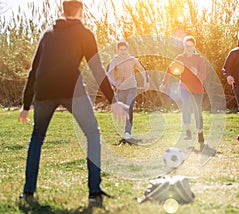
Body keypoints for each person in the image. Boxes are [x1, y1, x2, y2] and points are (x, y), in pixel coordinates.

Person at [18, 0, 128, 207]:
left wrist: (25, 105)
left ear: (62, 11)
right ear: (80, 12)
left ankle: (28, 191)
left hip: (43, 92)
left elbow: (33, 70)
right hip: (72, 90)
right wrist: (113, 100)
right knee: (92, 134)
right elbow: (96, 68)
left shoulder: (48, 33)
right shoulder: (84, 33)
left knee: (37, 136)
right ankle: (94, 192)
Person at [160, 36, 207, 149]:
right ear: (184, 47)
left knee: (197, 111)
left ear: (194, 46)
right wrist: (163, 83)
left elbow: (204, 76)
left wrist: (196, 73)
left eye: (190, 46)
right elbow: (169, 69)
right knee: (186, 107)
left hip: (197, 89)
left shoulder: (199, 59)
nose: (188, 48)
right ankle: (188, 133)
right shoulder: (180, 58)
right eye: (186, 46)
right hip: (184, 88)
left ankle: (200, 133)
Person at [107, 41, 150, 140]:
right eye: (121, 50)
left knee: (129, 107)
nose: (123, 51)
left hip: (132, 87)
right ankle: (124, 129)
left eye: (125, 49)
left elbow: (143, 70)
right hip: (121, 89)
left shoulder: (132, 60)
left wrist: (146, 81)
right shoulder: (114, 60)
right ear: (118, 50)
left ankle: (127, 132)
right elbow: (109, 74)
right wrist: (115, 84)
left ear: (127, 49)